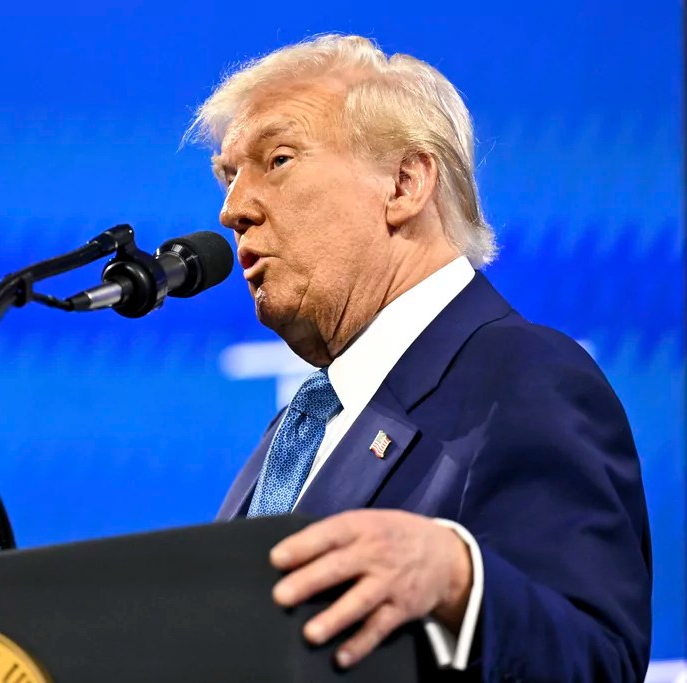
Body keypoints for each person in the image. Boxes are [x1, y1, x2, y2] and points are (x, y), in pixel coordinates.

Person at [188, 34, 651, 680]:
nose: (233, 208)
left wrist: (461, 581)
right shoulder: (298, 430)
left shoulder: (525, 377)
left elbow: (598, 661)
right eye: (229, 175)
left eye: (279, 158)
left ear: (405, 183)